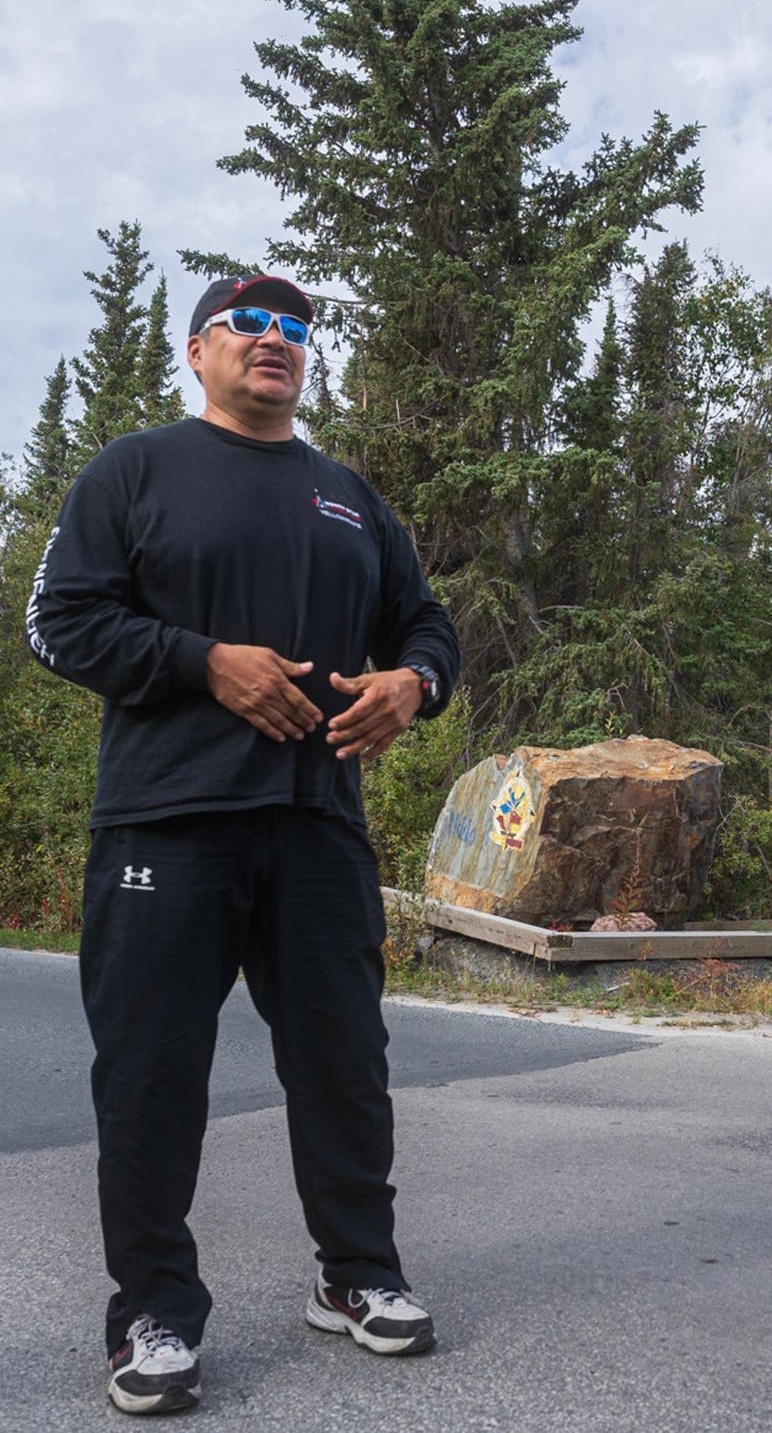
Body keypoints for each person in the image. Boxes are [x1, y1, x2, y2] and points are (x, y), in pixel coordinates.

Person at [27, 274, 461, 1415]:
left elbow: (428, 622)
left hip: (317, 824)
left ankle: (356, 1274)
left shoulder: (348, 496)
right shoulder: (136, 471)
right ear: (198, 352)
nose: (279, 342)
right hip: (167, 819)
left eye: (297, 329)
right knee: (153, 1074)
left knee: (342, 1064)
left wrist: (414, 684)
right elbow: (57, 620)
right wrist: (200, 660)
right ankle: (155, 1311)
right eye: (251, 325)